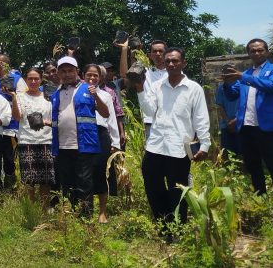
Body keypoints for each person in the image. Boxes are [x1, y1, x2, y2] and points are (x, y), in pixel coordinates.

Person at [136, 47, 210, 233]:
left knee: (178, 190)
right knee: (152, 185)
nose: (170, 64)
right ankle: (163, 224)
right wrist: (139, 89)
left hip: (179, 148)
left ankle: (178, 228)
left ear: (183, 63)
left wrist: (205, 144)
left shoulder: (194, 88)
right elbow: (149, 111)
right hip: (155, 146)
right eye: (168, 61)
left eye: (175, 61)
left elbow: (201, 118)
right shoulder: (157, 86)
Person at [222, 39, 273, 201]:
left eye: (260, 50)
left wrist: (242, 76)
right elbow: (232, 95)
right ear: (249, 53)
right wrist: (227, 83)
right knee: (252, 165)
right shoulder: (247, 73)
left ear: (267, 52)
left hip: (266, 127)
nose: (257, 53)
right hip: (246, 127)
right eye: (253, 51)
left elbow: (272, 86)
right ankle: (261, 201)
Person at [49, 56, 108, 217]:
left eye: (70, 71)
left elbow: (105, 113)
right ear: (59, 73)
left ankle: (86, 219)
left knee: (84, 183)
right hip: (62, 146)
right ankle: (76, 214)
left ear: (77, 72)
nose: (67, 74)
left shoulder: (88, 89)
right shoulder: (56, 94)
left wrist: (96, 96)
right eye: (63, 71)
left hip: (84, 145)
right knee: (68, 184)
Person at [82, 64, 121, 223]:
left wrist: (115, 142)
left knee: (101, 173)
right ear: (83, 75)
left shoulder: (105, 95)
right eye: (89, 75)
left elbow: (111, 118)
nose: (91, 78)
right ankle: (86, 210)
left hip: (101, 135)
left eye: (95, 76)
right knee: (85, 174)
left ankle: (102, 212)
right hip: (83, 134)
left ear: (100, 78)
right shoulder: (78, 93)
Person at [10, 68, 54, 205]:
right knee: (29, 180)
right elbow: (17, 117)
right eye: (30, 79)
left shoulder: (48, 96)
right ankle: (32, 210)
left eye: (36, 79)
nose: (33, 81)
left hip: (46, 140)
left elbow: (55, 118)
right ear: (25, 80)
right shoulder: (20, 96)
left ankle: (45, 209)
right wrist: (13, 98)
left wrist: (47, 123)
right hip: (26, 140)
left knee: (45, 180)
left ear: (41, 79)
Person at [119, 39, 167, 131]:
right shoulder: (145, 72)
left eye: (161, 51)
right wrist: (124, 49)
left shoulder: (174, 73)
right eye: (154, 51)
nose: (157, 54)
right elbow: (124, 74)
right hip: (151, 121)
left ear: (167, 54)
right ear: (149, 55)